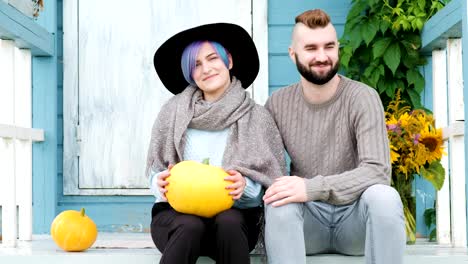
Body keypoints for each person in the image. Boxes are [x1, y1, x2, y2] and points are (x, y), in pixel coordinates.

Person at [262, 9, 405, 264]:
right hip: (308, 224)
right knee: (278, 201)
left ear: (338, 49)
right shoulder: (277, 104)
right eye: (311, 48)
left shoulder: (362, 97)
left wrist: (311, 187)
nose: (322, 56)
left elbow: (377, 171)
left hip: (355, 221)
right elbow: (270, 174)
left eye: (329, 46)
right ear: (293, 54)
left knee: (385, 197)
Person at [146, 23, 286, 264]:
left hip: (237, 219)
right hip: (178, 219)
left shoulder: (257, 117)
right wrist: (159, 182)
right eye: (196, 64)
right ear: (190, 73)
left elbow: (271, 182)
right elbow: (155, 172)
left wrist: (245, 187)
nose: (206, 69)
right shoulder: (172, 112)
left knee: (229, 222)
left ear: (228, 61)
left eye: (212, 59)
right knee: (190, 226)